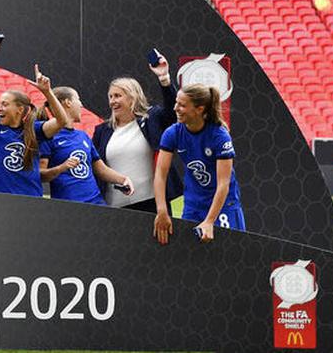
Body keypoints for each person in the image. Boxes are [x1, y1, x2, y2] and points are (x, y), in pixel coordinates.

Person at [0, 35, 69, 197]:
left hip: (30, 201)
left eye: (5, 104)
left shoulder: (33, 130)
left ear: (19, 109)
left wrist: (47, 92)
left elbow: (62, 121)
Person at [91, 53, 182, 212]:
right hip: (114, 208)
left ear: (132, 97)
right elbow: (96, 166)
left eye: (118, 96)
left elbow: (173, 112)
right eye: (110, 97)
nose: (112, 101)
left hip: (152, 204)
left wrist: (164, 79)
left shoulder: (152, 118)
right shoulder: (102, 131)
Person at [154, 84, 245, 244]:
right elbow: (160, 175)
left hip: (224, 205)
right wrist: (162, 210)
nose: (176, 108)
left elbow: (223, 184)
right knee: (191, 255)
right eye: (176, 103)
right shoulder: (172, 133)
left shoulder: (219, 136)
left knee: (229, 254)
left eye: (182, 105)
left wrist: (210, 221)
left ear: (199, 109)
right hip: (193, 206)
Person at [38, 85, 132, 205]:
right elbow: (40, 175)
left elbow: (101, 169)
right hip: (68, 206)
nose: (81, 105)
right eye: (78, 99)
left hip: (97, 203)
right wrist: (61, 168)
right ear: (68, 102)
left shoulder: (83, 136)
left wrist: (123, 179)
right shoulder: (48, 136)